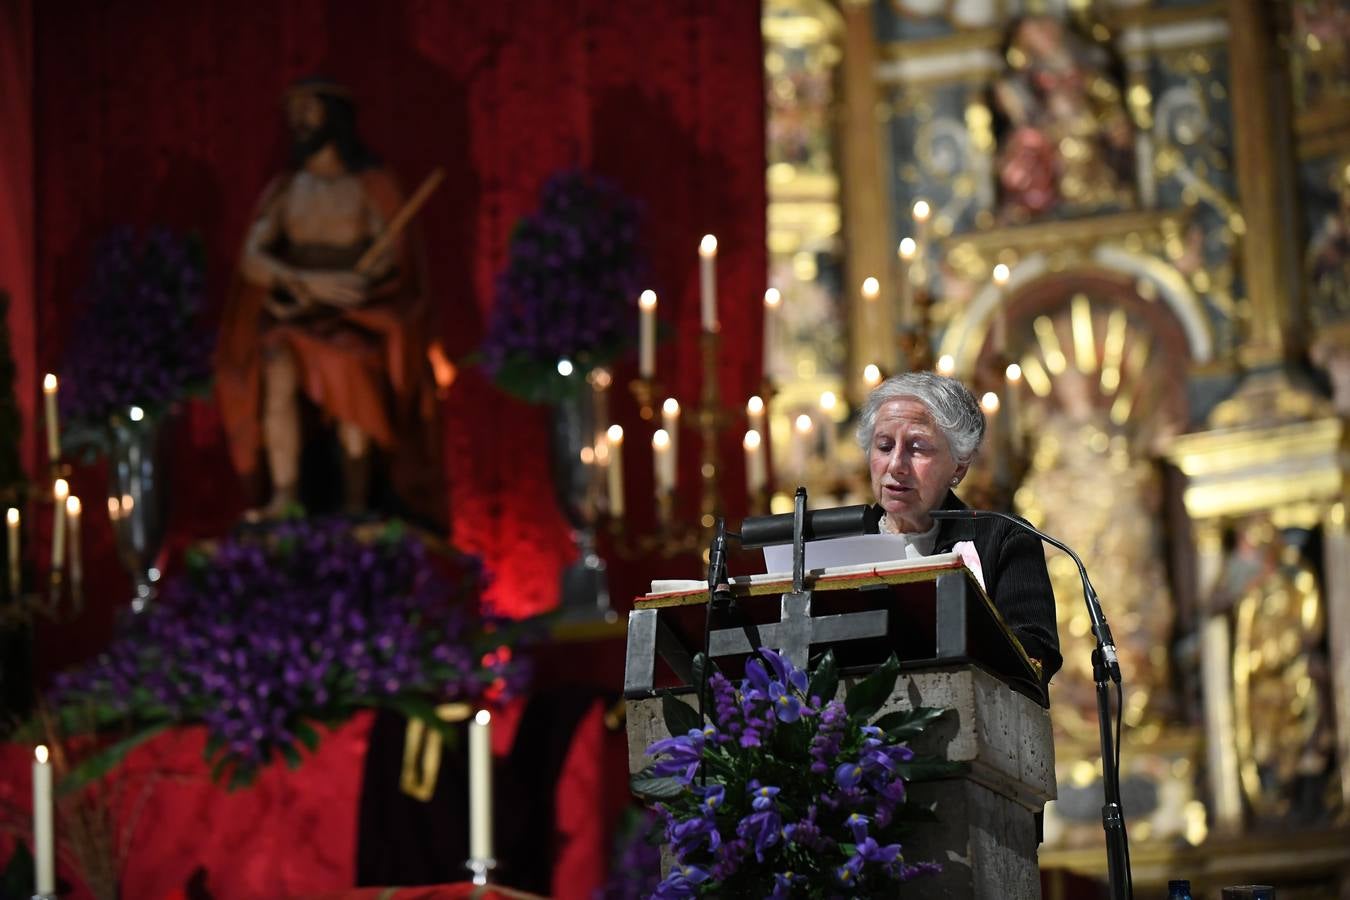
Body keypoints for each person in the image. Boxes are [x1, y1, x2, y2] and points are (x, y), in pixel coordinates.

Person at [215, 77, 443, 525]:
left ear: (335, 117)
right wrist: (305, 282)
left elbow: (393, 259)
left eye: (311, 110)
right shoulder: (286, 190)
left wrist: (358, 281)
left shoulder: (368, 186)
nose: (300, 121)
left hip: (353, 320)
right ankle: (285, 495)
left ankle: (357, 499)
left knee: (348, 370)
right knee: (276, 371)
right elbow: (253, 259)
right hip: (295, 316)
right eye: (295, 112)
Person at [856, 371, 1062, 683]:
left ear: (959, 466)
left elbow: (1035, 655)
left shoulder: (1004, 538)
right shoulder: (835, 540)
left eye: (918, 448)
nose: (896, 465)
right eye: (884, 446)